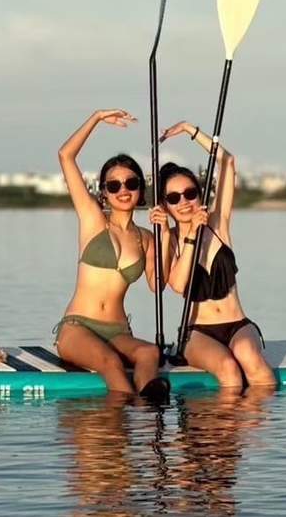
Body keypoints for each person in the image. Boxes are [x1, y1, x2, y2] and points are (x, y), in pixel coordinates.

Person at [54, 108, 171, 399]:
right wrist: (95, 118)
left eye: (131, 184)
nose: (123, 190)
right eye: (114, 185)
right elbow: (65, 156)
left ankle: (147, 421)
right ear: (104, 191)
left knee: (148, 352)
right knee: (111, 363)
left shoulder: (146, 238)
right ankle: (117, 433)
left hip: (119, 331)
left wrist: (166, 235)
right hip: (78, 327)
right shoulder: (93, 219)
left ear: (140, 191)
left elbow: (158, 284)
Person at [149, 121, 276, 389]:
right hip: (198, 333)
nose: (184, 202)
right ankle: (224, 430)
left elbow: (227, 162)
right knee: (229, 370)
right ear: (166, 205)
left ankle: (260, 428)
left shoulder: (218, 224)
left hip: (237, 324)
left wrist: (189, 130)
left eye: (190, 193)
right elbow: (179, 284)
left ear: (200, 194)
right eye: (174, 198)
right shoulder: (169, 240)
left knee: (248, 357)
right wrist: (191, 233)